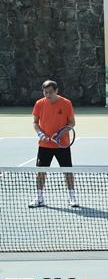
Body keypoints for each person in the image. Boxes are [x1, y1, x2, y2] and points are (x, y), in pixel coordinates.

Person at [29, 80, 78, 208]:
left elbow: (72, 123)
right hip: (44, 145)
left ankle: (72, 197)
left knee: (67, 171)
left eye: (50, 92)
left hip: (62, 144)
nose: (48, 95)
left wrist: (61, 133)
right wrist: (40, 134)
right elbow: (35, 122)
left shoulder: (66, 103)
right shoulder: (39, 104)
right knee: (41, 172)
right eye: (45, 92)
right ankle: (39, 198)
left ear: (56, 91)